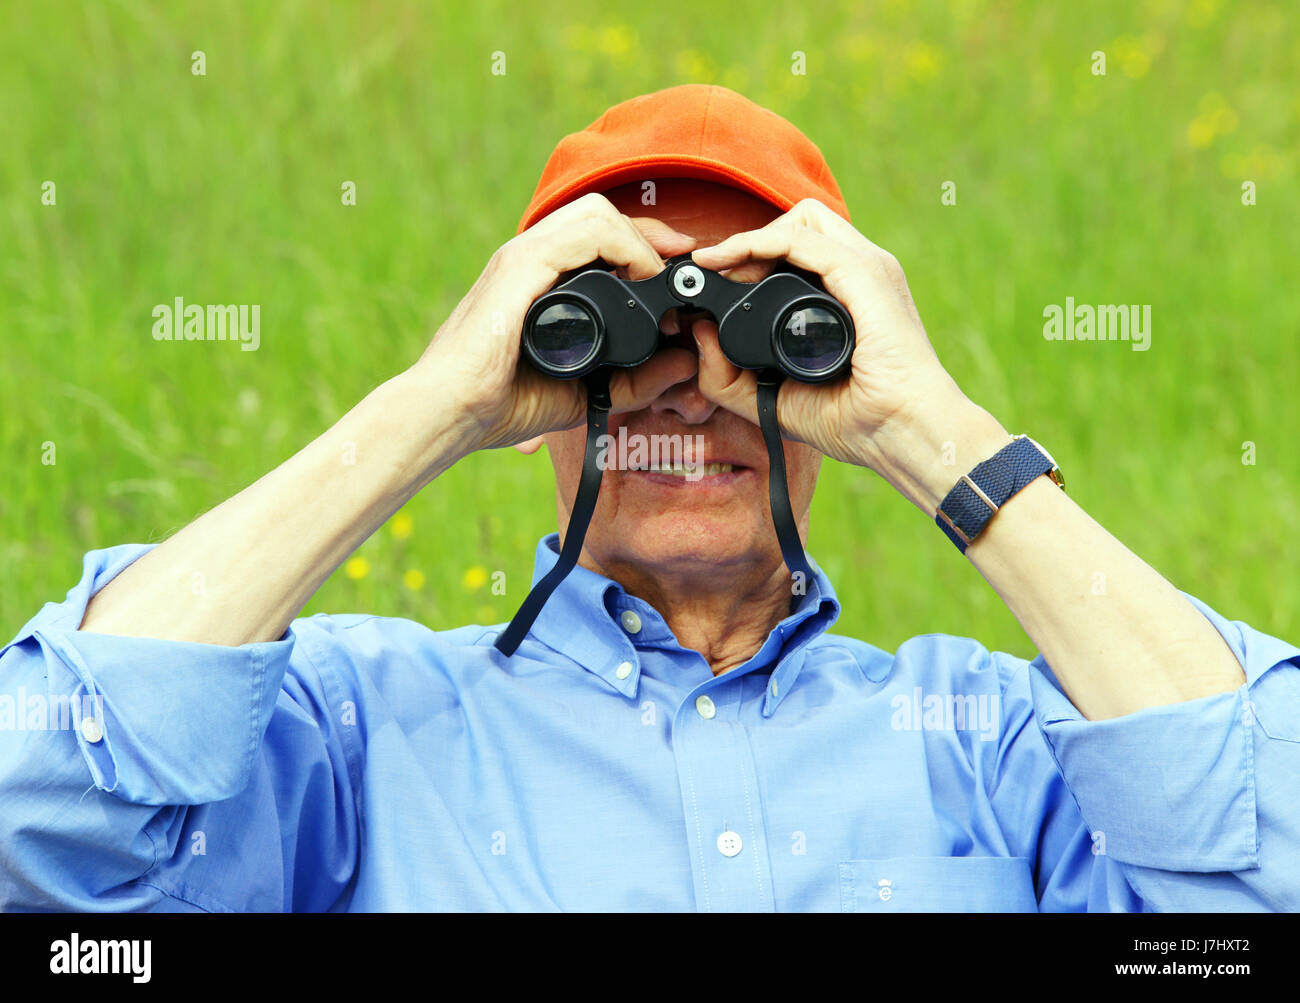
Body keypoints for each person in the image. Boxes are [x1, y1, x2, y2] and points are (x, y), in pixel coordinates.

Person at [2, 84, 1297, 912]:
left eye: (766, 329)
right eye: (612, 330)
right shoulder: (352, 737)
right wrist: (430, 408)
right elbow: (33, 817)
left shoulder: (986, 743)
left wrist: (927, 428)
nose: (690, 387)